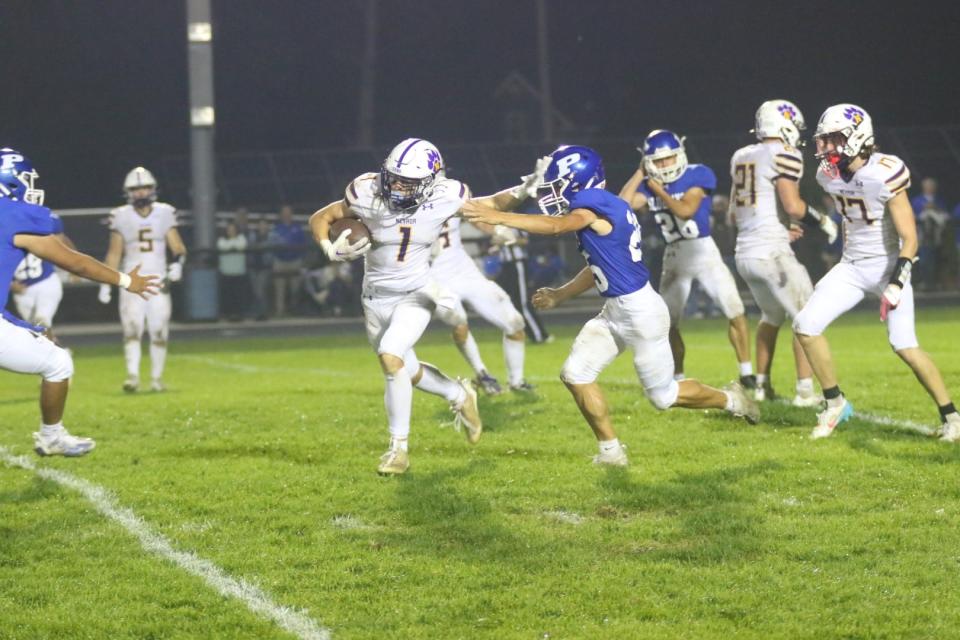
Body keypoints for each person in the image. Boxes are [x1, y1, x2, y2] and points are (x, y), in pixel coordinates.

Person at [464, 145, 759, 467]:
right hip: (617, 310)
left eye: (557, 183)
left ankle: (733, 400)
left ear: (578, 181)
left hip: (641, 313)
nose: (552, 192)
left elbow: (557, 226)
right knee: (575, 374)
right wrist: (561, 294)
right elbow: (597, 266)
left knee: (663, 397)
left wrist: (499, 217)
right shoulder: (605, 204)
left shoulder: (592, 205)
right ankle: (611, 452)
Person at [309, 138, 538, 475]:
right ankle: (458, 394)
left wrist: (524, 189)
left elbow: (489, 205)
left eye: (408, 182)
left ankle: (397, 450)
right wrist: (328, 247)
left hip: (417, 291)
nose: (397, 186)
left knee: (391, 357)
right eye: (394, 177)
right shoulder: (365, 190)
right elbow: (322, 216)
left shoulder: (447, 195)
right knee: (406, 369)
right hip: (374, 296)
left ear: (430, 183)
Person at [793, 104, 960, 440]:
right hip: (851, 267)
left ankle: (952, 417)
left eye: (833, 139)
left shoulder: (886, 171)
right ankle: (834, 402)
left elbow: (911, 237)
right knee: (805, 325)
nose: (824, 147)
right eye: (823, 140)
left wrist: (898, 280)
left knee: (904, 345)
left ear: (857, 138)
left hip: (889, 268)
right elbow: (848, 214)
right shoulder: (827, 175)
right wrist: (809, 225)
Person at [0, 148, 158, 456]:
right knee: (58, 363)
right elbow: (75, 262)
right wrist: (126, 281)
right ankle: (51, 436)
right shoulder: (13, 214)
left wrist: (21, 325)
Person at [619, 130, 754, 389]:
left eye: (668, 159)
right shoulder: (648, 182)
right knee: (669, 323)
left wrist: (658, 189)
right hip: (674, 257)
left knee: (735, 311)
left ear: (679, 155)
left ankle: (747, 373)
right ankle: (679, 378)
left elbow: (686, 211)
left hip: (704, 251)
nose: (664, 165)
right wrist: (640, 172)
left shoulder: (697, 173)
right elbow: (621, 204)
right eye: (657, 161)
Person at [729, 99, 839, 406]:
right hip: (770, 252)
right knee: (807, 317)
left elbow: (734, 214)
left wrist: (780, 226)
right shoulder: (785, 154)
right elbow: (793, 205)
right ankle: (805, 392)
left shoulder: (741, 156)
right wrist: (822, 220)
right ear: (786, 125)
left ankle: (762, 388)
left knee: (771, 315)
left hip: (745, 253)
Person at [99, 167, 187, 392]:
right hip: (130, 280)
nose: (140, 192)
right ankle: (132, 376)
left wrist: (177, 264)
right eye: (136, 189)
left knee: (159, 330)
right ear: (128, 192)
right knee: (132, 328)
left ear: (153, 189)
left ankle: (157, 379)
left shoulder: (165, 212)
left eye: (145, 187)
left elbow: (177, 246)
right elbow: (114, 253)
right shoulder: (120, 215)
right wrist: (107, 282)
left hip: (157, 280)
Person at [429, 215, 531, 395]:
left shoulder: (452, 190)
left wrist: (496, 229)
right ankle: (482, 374)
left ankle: (517, 381)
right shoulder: (400, 202)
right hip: (433, 279)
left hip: (465, 273)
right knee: (458, 323)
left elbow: (475, 215)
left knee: (514, 323)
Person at [11, 212, 73, 332]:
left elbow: (61, 243)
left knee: (42, 321)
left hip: (46, 280)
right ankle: (59, 349)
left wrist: (73, 267)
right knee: (35, 332)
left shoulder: (46, 217)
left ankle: (56, 349)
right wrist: (9, 285)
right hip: (21, 289)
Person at [270, 205, 307, 316]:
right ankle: (280, 312)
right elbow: (272, 244)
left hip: (295, 261)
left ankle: (294, 311)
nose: (286, 215)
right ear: (281, 215)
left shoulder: (297, 228)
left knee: (295, 288)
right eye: (284, 213)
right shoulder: (277, 229)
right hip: (280, 261)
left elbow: (303, 244)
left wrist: (301, 258)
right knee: (279, 288)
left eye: (288, 212)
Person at [217, 220, 248, 321]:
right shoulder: (221, 240)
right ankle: (227, 315)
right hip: (226, 273)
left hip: (239, 273)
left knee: (239, 296)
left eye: (233, 230)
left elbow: (241, 245)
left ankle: (239, 315)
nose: (231, 232)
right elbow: (222, 246)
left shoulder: (241, 238)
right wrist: (233, 246)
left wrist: (231, 246)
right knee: (228, 297)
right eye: (229, 230)